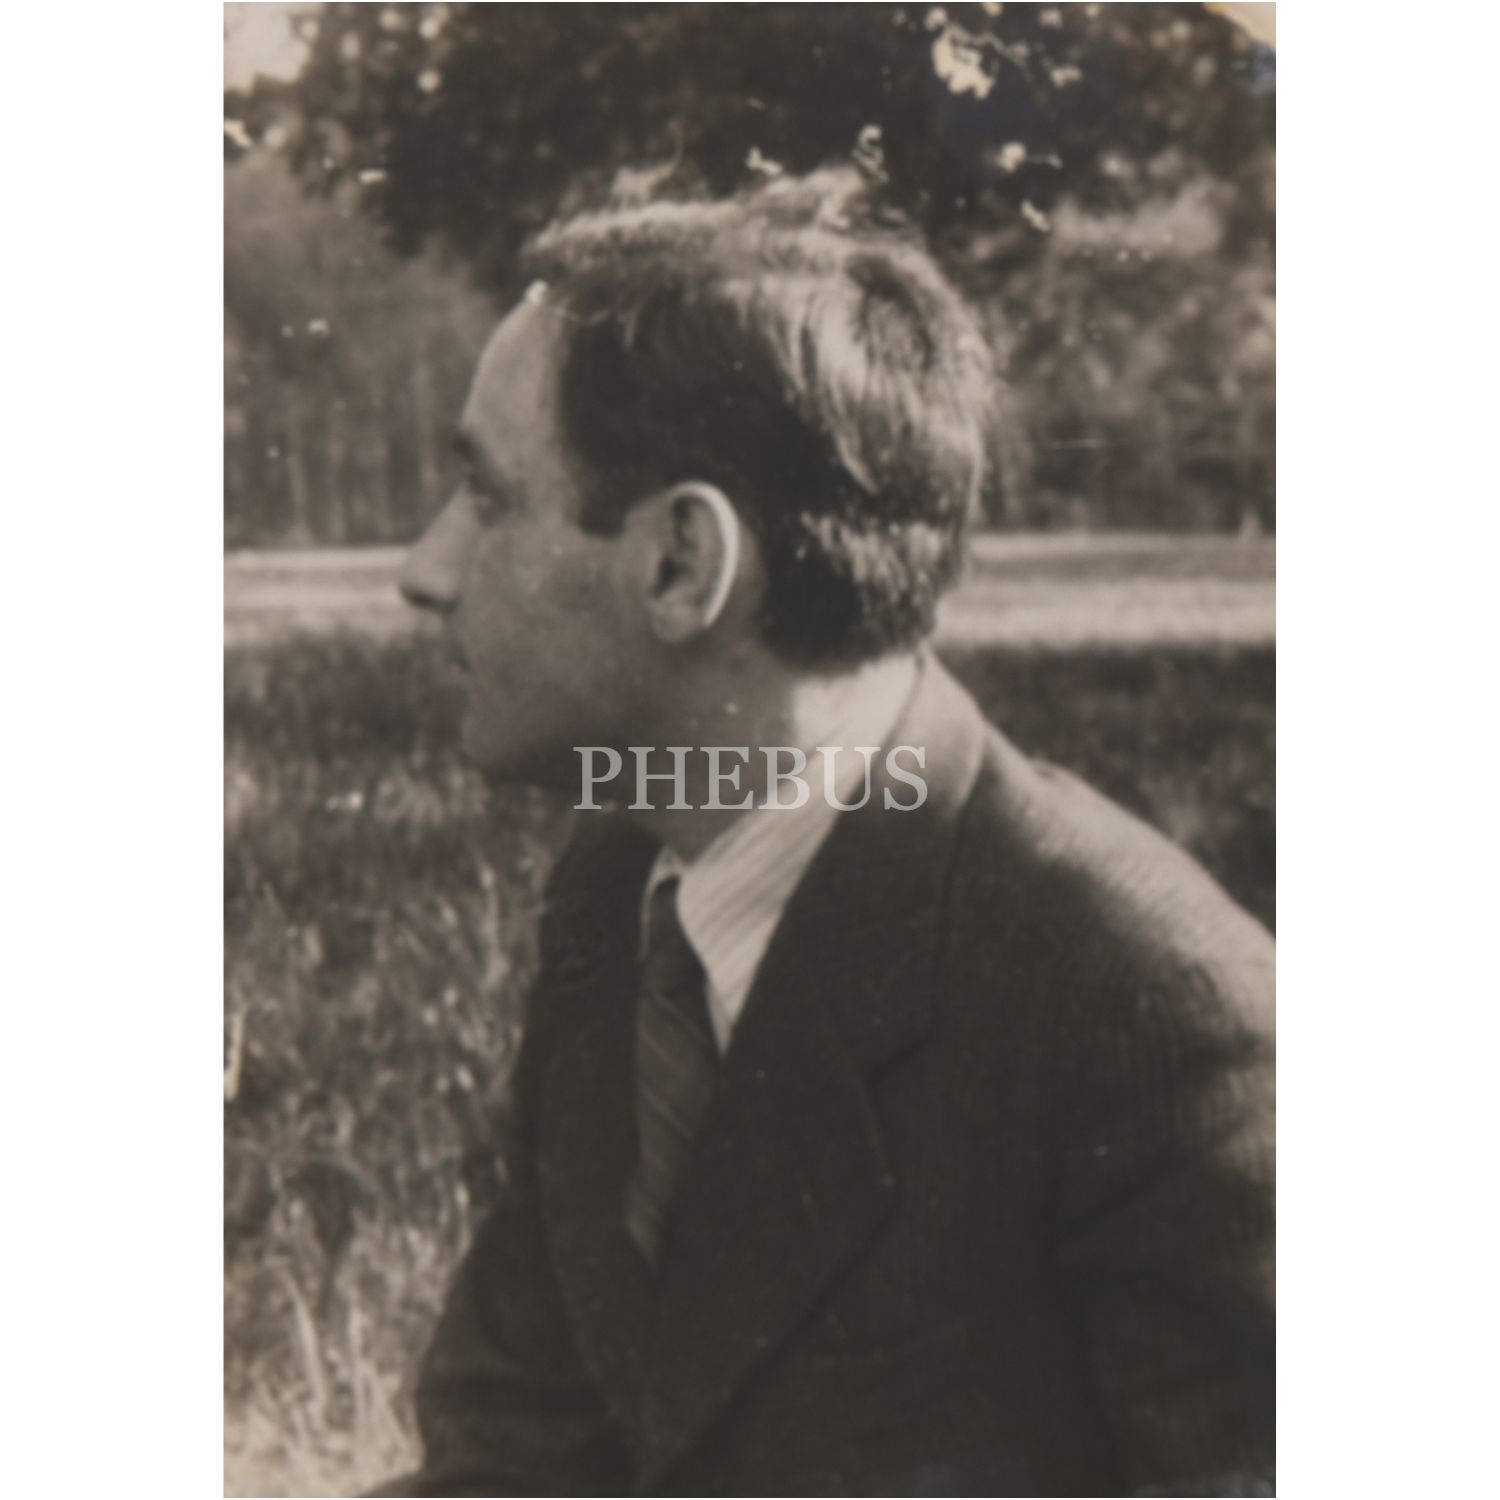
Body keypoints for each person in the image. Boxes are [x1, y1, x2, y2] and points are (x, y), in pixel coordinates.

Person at [385, 170, 1275, 1497]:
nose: (425, 570)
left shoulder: (1153, 1012)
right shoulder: (622, 892)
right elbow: (511, 1465)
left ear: (680, 564)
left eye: (488, 495)